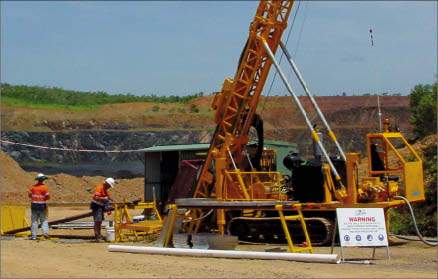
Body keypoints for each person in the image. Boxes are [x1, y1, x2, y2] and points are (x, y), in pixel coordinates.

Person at [90, 177, 117, 242]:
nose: (110, 187)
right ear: (107, 183)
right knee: (97, 221)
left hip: (100, 206)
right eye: (109, 186)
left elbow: (109, 197)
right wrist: (104, 198)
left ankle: (99, 234)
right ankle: (97, 236)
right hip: (96, 205)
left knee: (100, 221)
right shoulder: (100, 188)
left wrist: (114, 201)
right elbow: (96, 197)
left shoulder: (104, 189)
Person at [29, 173, 51, 240]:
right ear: (43, 180)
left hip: (34, 206)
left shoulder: (32, 187)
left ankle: (34, 236)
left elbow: (30, 196)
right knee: (44, 220)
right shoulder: (45, 188)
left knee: (34, 221)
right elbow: (48, 197)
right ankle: (45, 234)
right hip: (42, 206)